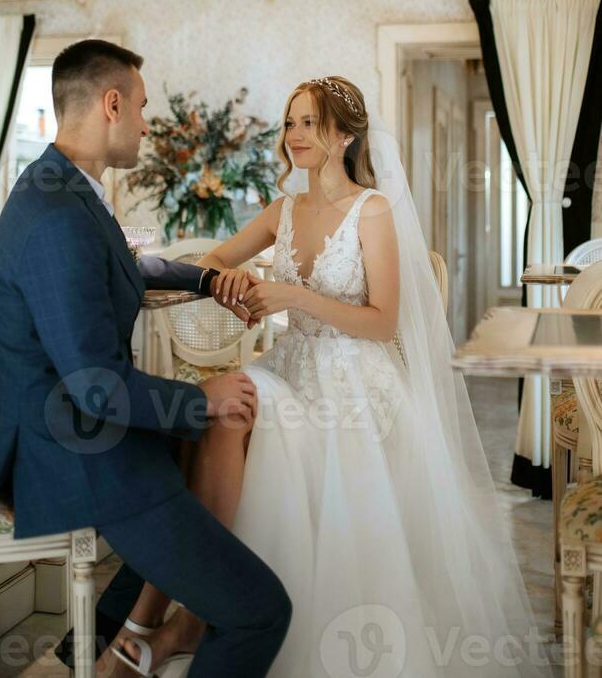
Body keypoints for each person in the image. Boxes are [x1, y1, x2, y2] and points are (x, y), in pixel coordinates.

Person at [115, 75, 553, 678]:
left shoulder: (372, 212)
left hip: (356, 382)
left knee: (234, 416)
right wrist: (229, 283)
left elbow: (381, 322)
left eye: (309, 123)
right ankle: (201, 606)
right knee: (224, 411)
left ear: (344, 136)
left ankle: (190, 619)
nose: (294, 135)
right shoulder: (284, 209)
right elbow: (214, 261)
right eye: (290, 122)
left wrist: (295, 292)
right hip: (290, 364)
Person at [0, 39, 292, 678]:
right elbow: (95, 388)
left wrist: (206, 278)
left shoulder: (63, 185)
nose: (146, 122)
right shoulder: (56, 215)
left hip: (76, 432)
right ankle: (150, 639)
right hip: (71, 454)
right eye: (141, 107)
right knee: (260, 611)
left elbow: (129, 264)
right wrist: (202, 398)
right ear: (112, 104)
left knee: (201, 452)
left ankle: (120, 650)